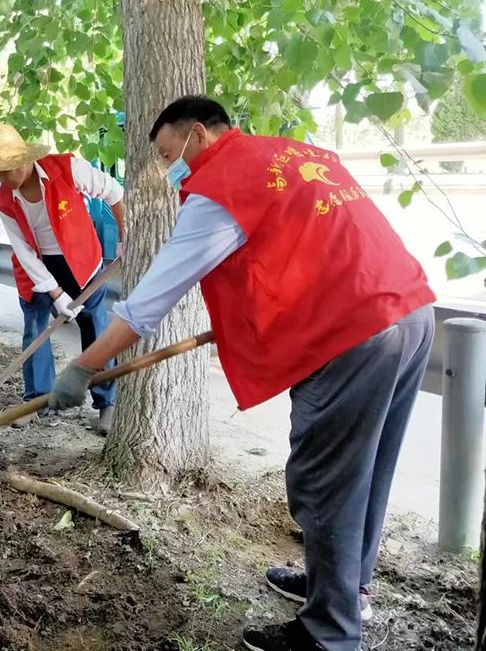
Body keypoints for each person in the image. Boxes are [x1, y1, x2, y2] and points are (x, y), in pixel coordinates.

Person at [49, 96, 435, 651]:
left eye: (167, 153)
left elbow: (149, 302)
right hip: (408, 310)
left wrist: (85, 367)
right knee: (366, 472)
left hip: (351, 334)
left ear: (198, 135)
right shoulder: (298, 154)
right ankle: (347, 589)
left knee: (323, 483)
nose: (167, 169)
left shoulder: (222, 184)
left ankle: (329, 633)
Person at [0, 124, 125, 435]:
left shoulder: (67, 168)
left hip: (81, 262)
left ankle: (106, 403)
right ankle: (36, 401)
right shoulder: (4, 200)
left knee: (96, 327)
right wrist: (54, 293)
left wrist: (124, 236)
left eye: (4, 170)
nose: (0, 179)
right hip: (37, 269)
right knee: (35, 328)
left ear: (23, 161)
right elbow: (23, 250)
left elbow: (114, 192)